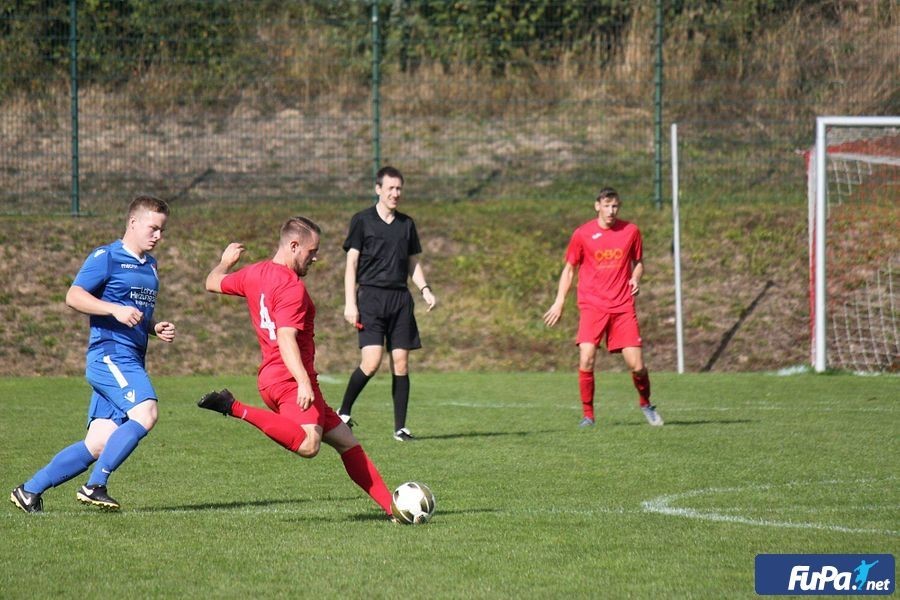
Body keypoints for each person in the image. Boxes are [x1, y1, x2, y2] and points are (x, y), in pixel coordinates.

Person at [198, 216, 394, 517]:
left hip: (273, 378)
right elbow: (287, 338)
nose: (315, 257)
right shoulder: (292, 288)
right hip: (290, 380)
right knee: (308, 444)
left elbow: (211, 282)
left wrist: (225, 262)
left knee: (346, 441)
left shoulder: (254, 273)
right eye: (311, 251)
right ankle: (233, 407)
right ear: (293, 245)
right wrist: (302, 382)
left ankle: (393, 510)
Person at [10, 195, 176, 513]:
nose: (158, 236)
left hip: (130, 358)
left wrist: (155, 328)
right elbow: (74, 296)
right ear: (133, 223)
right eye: (153, 228)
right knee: (147, 412)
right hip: (110, 356)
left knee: (98, 443)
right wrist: (113, 309)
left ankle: (29, 491)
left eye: (162, 231)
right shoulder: (107, 256)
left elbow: (135, 313)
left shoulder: (151, 267)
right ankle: (95, 485)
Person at [543, 187, 663, 428]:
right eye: (607, 206)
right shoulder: (583, 234)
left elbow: (638, 263)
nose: (611, 211)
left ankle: (645, 403)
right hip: (592, 306)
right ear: (597, 205)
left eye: (615, 206)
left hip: (622, 306)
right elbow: (569, 269)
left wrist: (635, 279)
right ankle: (588, 416)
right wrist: (559, 301)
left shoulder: (631, 231)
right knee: (586, 358)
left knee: (637, 366)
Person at [339, 166, 436, 441]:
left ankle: (400, 428)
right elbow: (351, 263)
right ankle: (343, 411)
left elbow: (412, 262)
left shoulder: (407, 224)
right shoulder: (362, 221)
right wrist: (350, 303)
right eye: (391, 188)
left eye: (399, 189)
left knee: (401, 363)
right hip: (370, 297)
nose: (396, 193)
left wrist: (425, 289)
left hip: (400, 300)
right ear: (378, 189)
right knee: (371, 363)